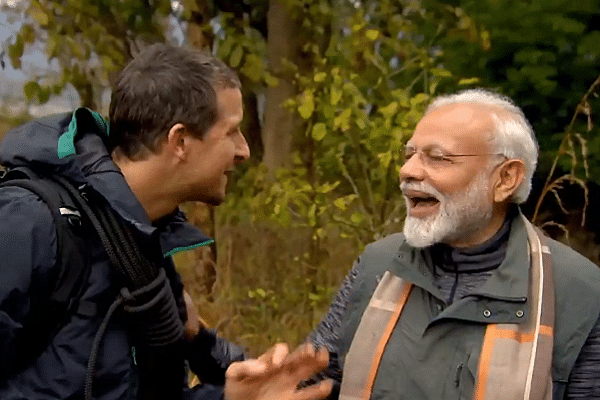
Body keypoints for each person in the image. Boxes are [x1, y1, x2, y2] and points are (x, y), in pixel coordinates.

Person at [0, 43, 331, 400]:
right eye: (232, 131)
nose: (244, 150)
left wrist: (232, 399)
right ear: (180, 141)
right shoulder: (28, 222)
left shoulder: (145, 241)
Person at [308, 89, 600, 399]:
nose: (407, 171)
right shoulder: (377, 265)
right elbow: (312, 383)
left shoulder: (578, 292)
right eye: (410, 155)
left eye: (437, 158)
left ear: (505, 179)